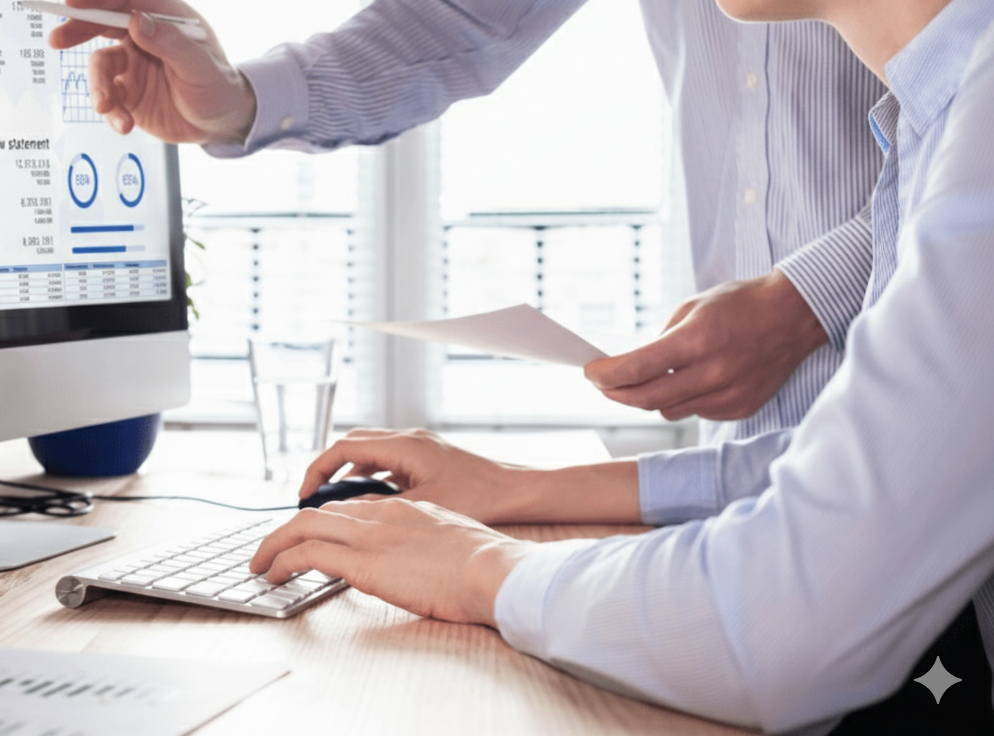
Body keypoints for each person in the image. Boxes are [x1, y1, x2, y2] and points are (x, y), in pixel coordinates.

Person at [247, 0, 994, 732]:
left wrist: (479, 569)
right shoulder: (935, 112)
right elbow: (848, 466)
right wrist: (515, 491)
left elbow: (782, 619)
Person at [51, 0, 882, 447]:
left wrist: (813, 298)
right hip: (750, 456)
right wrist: (239, 100)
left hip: (932, 421)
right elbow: (459, 22)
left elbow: (971, 124)